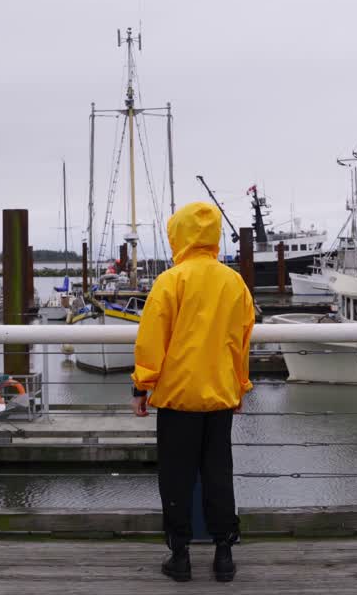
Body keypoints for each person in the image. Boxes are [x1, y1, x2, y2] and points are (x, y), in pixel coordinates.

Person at [131, 201, 255, 583]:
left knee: (176, 475)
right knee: (219, 473)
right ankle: (223, 555)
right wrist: (239, 386)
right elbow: (241, 340)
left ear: (179, 234)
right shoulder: (233, 282)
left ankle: (180, 555)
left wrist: (142, 384)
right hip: (219, 394)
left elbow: (153, 339)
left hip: (178, 397)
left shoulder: (171, 280)